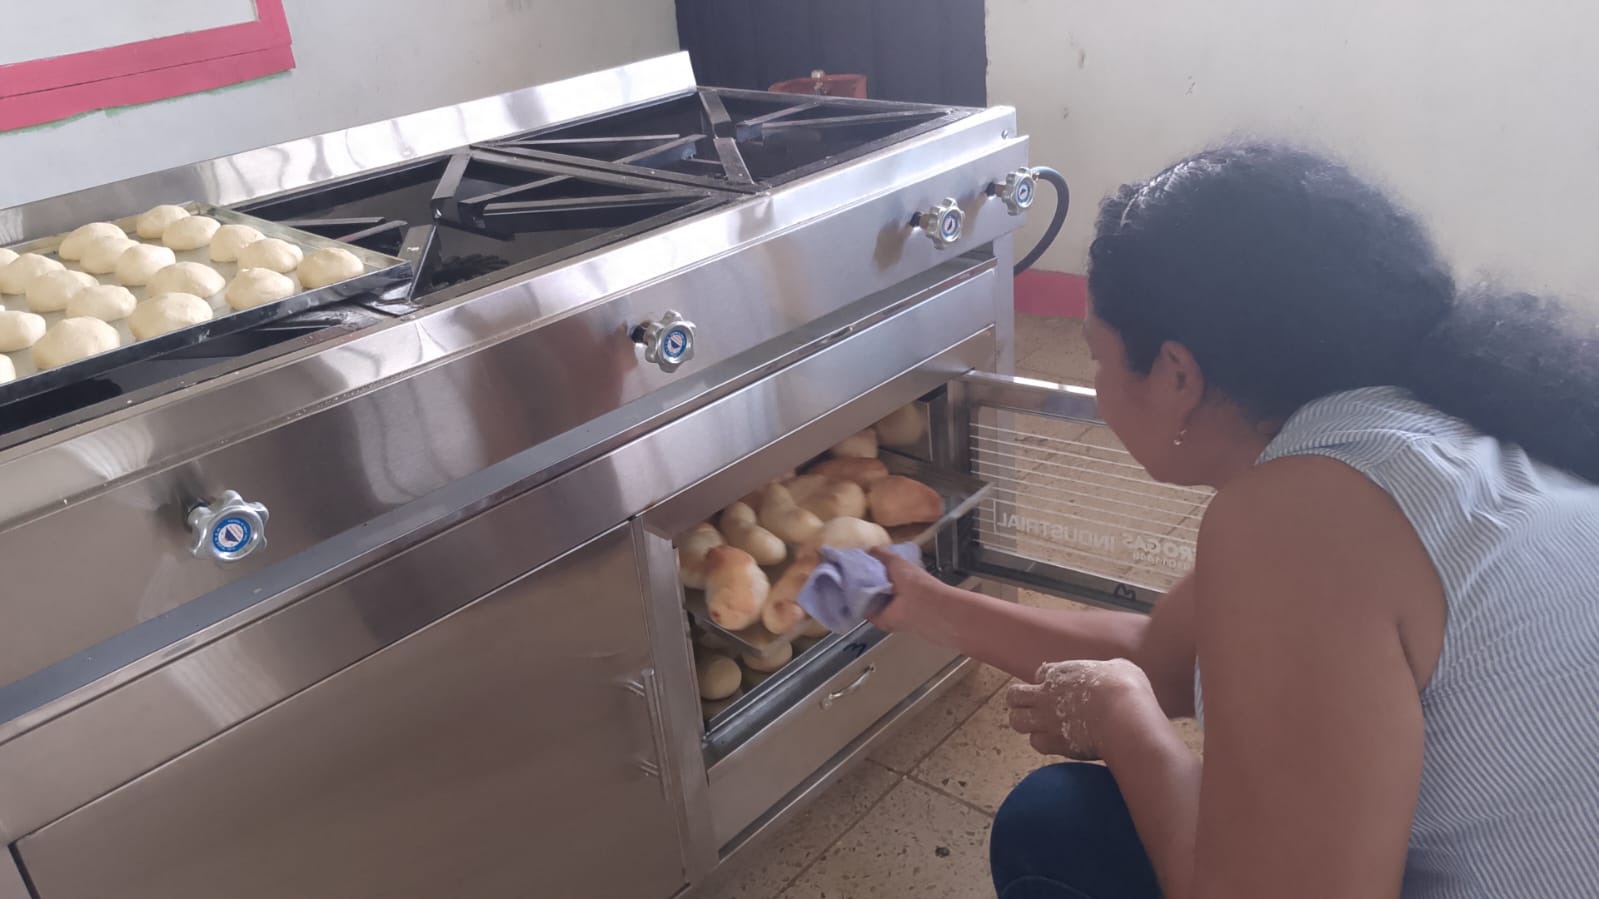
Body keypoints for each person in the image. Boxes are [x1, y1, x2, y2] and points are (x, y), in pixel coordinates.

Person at [870, 144, 1599, 899]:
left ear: (1176, 375)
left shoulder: (1300, 524)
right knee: (1059, 819)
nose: (1096, 381)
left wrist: (1121, 721)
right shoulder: (1422, 439)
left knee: (1059, 832)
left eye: (1098, 356)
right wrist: (918, 602)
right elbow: (1163, 658)